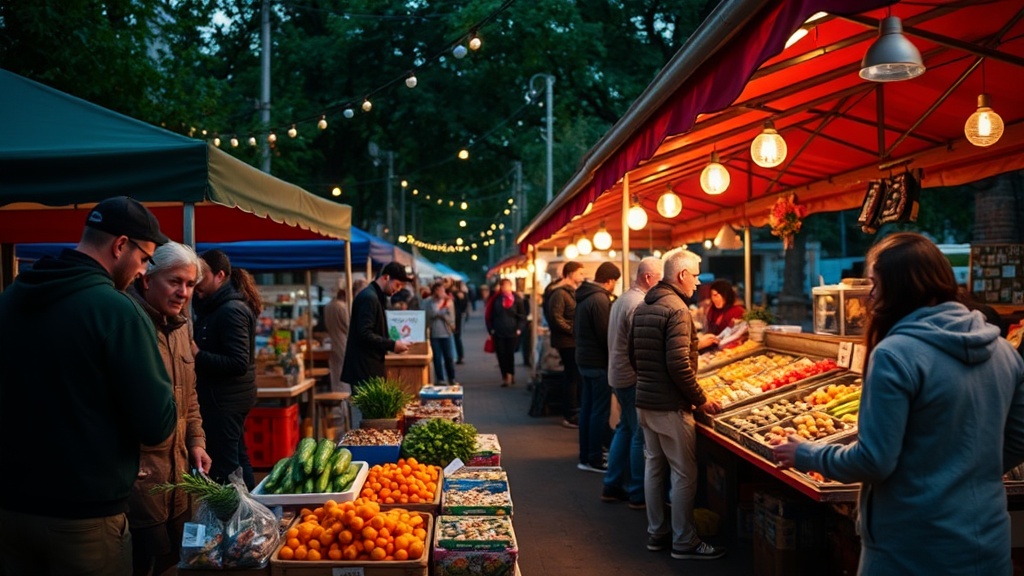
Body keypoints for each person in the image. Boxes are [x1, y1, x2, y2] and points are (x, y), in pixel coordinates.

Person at [773, 233, 1024, 575]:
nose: (870, 295)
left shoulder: (896, 354)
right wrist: (965, 473)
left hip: (912, 548)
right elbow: (1019, 440)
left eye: (874, 284)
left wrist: (807, 454)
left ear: (899, 286)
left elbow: (874, 460)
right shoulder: (1006, 352)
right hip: (987, 543)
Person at [0, 196, 177, 575]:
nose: (143, 272)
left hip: (9, 513)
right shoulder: (116, 311)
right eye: (144, 258)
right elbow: (157, 424)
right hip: (84, 520)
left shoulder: (10, 299)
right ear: (120, 246)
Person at [630, 248, 726, 561]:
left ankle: (656, 533)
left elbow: (634, 356)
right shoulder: (677, 310)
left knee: (654, 468)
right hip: (670, 405)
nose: (699, 283)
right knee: (684, 473)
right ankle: (684, 540)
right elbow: (678, 365)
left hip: (644, 400)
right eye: (696, 275)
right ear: (682, 275)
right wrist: (701, 399)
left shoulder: (645, 306)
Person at [128, 241, 212, 576]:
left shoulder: (180, 328)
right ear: (148, 279)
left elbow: (190, 397)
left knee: (177, 561)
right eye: (174, 281)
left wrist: (197, 441)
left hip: (181, 478)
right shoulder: (130, 325)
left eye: (190, 284)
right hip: (140, 480)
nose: (184, 292)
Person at [192, 249, 262, 490]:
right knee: (237, 460)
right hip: (226, 398)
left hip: (225, 401)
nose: (194, 282)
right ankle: (251, 514)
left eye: (200, 275)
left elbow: (238, 362)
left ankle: (240, 519)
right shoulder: (217, 307)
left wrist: (198, 355)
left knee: (227, 467)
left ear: (219, 275)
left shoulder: (231, 310)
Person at [603, 257, 663, 507]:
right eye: (660, 279)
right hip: (630, 377)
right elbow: (639, 346)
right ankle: (638, 491)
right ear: (648, 277)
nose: (661, 285)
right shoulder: (639, 303)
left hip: (617, 374)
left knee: (625, 428)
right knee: (639, 433)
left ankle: (612, 484)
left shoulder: (623, 298)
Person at [574, 262, 622, 473]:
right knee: (598, 412)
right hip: (598, 362)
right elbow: (606, 335)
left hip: (584, 359)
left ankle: (586, 454)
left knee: (588, 409)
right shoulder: (600, 299)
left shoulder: (585, 296)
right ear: (610, 280)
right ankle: (593, 457)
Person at [341, 262, 412, 392]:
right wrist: (392, 345)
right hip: (364, 371)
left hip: (368, 368)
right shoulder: (369, 298)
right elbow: (365, 334)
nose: (398, 289)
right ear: (386, 277)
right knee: (368, 412)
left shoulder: (374, 296)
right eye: (397, 284)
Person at [544, 261, 586, 428]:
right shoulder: (560, 293)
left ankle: (573, 411)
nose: (582, 276)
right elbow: (556, 318)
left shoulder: (569, 292)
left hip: (571, 340)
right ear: (571, 274)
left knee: (574, 376)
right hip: (567, 341)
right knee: (572, 376)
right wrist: (573, 330)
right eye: (580, 273)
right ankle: (570, 413)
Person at [486, 278, 528, 387]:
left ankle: (511, 374)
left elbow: (522, 316)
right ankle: (504, 375)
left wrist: (519, 328)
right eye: (503, 286)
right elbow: (490, 315)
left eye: (507, 286)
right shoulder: (496, 299)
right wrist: (491, 329)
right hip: (498, 331)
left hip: (512, 331)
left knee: (509, 354)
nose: (505, 288)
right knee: (500, 354)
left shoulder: (517, 299)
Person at [425, 280, 458, 385]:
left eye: (442, 290)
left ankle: (451, 378)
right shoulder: (429, 303)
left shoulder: (448, 302)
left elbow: (451, 317)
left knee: (449, 357)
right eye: (439, 290)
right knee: (437, 358)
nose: (441, 292)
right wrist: (440, 313)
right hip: (434, 333)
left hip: (446, 332)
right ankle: (440, 379)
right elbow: (429, 315)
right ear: (434, 291)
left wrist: (441, 315)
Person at [698, 279, 746, 350]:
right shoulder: (712, 309)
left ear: (725, 295)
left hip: (728, 350)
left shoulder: (738, 311)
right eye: (712, 295)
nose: (714, 299)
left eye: (716, 295)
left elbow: (737, 336)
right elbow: (707, 328)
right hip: (710, 349)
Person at [323, 287, 351, 393]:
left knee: (335, 372)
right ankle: (344, 397)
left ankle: (337, 394)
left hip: (332, 342)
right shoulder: (342, 307)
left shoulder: (328, 306)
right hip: (343, 342)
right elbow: (348, 326)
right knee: (344, 371)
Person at [452, 280, 470, 364]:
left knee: (456, 337)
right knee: (456, 337)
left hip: (457, 318)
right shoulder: (451, 293)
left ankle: (459, 356)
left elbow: (463, 307)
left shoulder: (459, 294)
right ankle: (458, 356)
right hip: (455, 317)